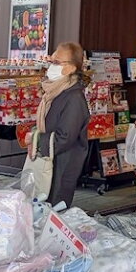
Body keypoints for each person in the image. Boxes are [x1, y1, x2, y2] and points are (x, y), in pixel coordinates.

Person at [30, 42, 90, 207]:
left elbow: (65, 138)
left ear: (71, 68)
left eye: (56, 62)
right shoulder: (55, 92)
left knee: (54, 206)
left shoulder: (74, 98)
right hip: (49, 160)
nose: (51, 66)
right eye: (51, 61)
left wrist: (37, 141)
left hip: (62, 164)